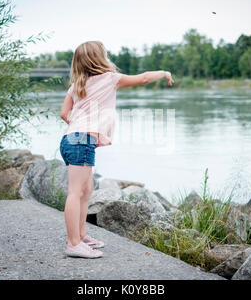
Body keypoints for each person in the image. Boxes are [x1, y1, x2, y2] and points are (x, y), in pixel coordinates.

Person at [59, 41, 174, 258]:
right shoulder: (110, 79)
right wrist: (164, 72)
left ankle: (81, 236)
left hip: (71, 140)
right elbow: (144, 78)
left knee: (86, 190)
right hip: (81, 141)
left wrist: (78, 125)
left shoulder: (76, 85)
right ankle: (72, 243)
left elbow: (64, 112)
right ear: (99, 59)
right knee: (75, 192)